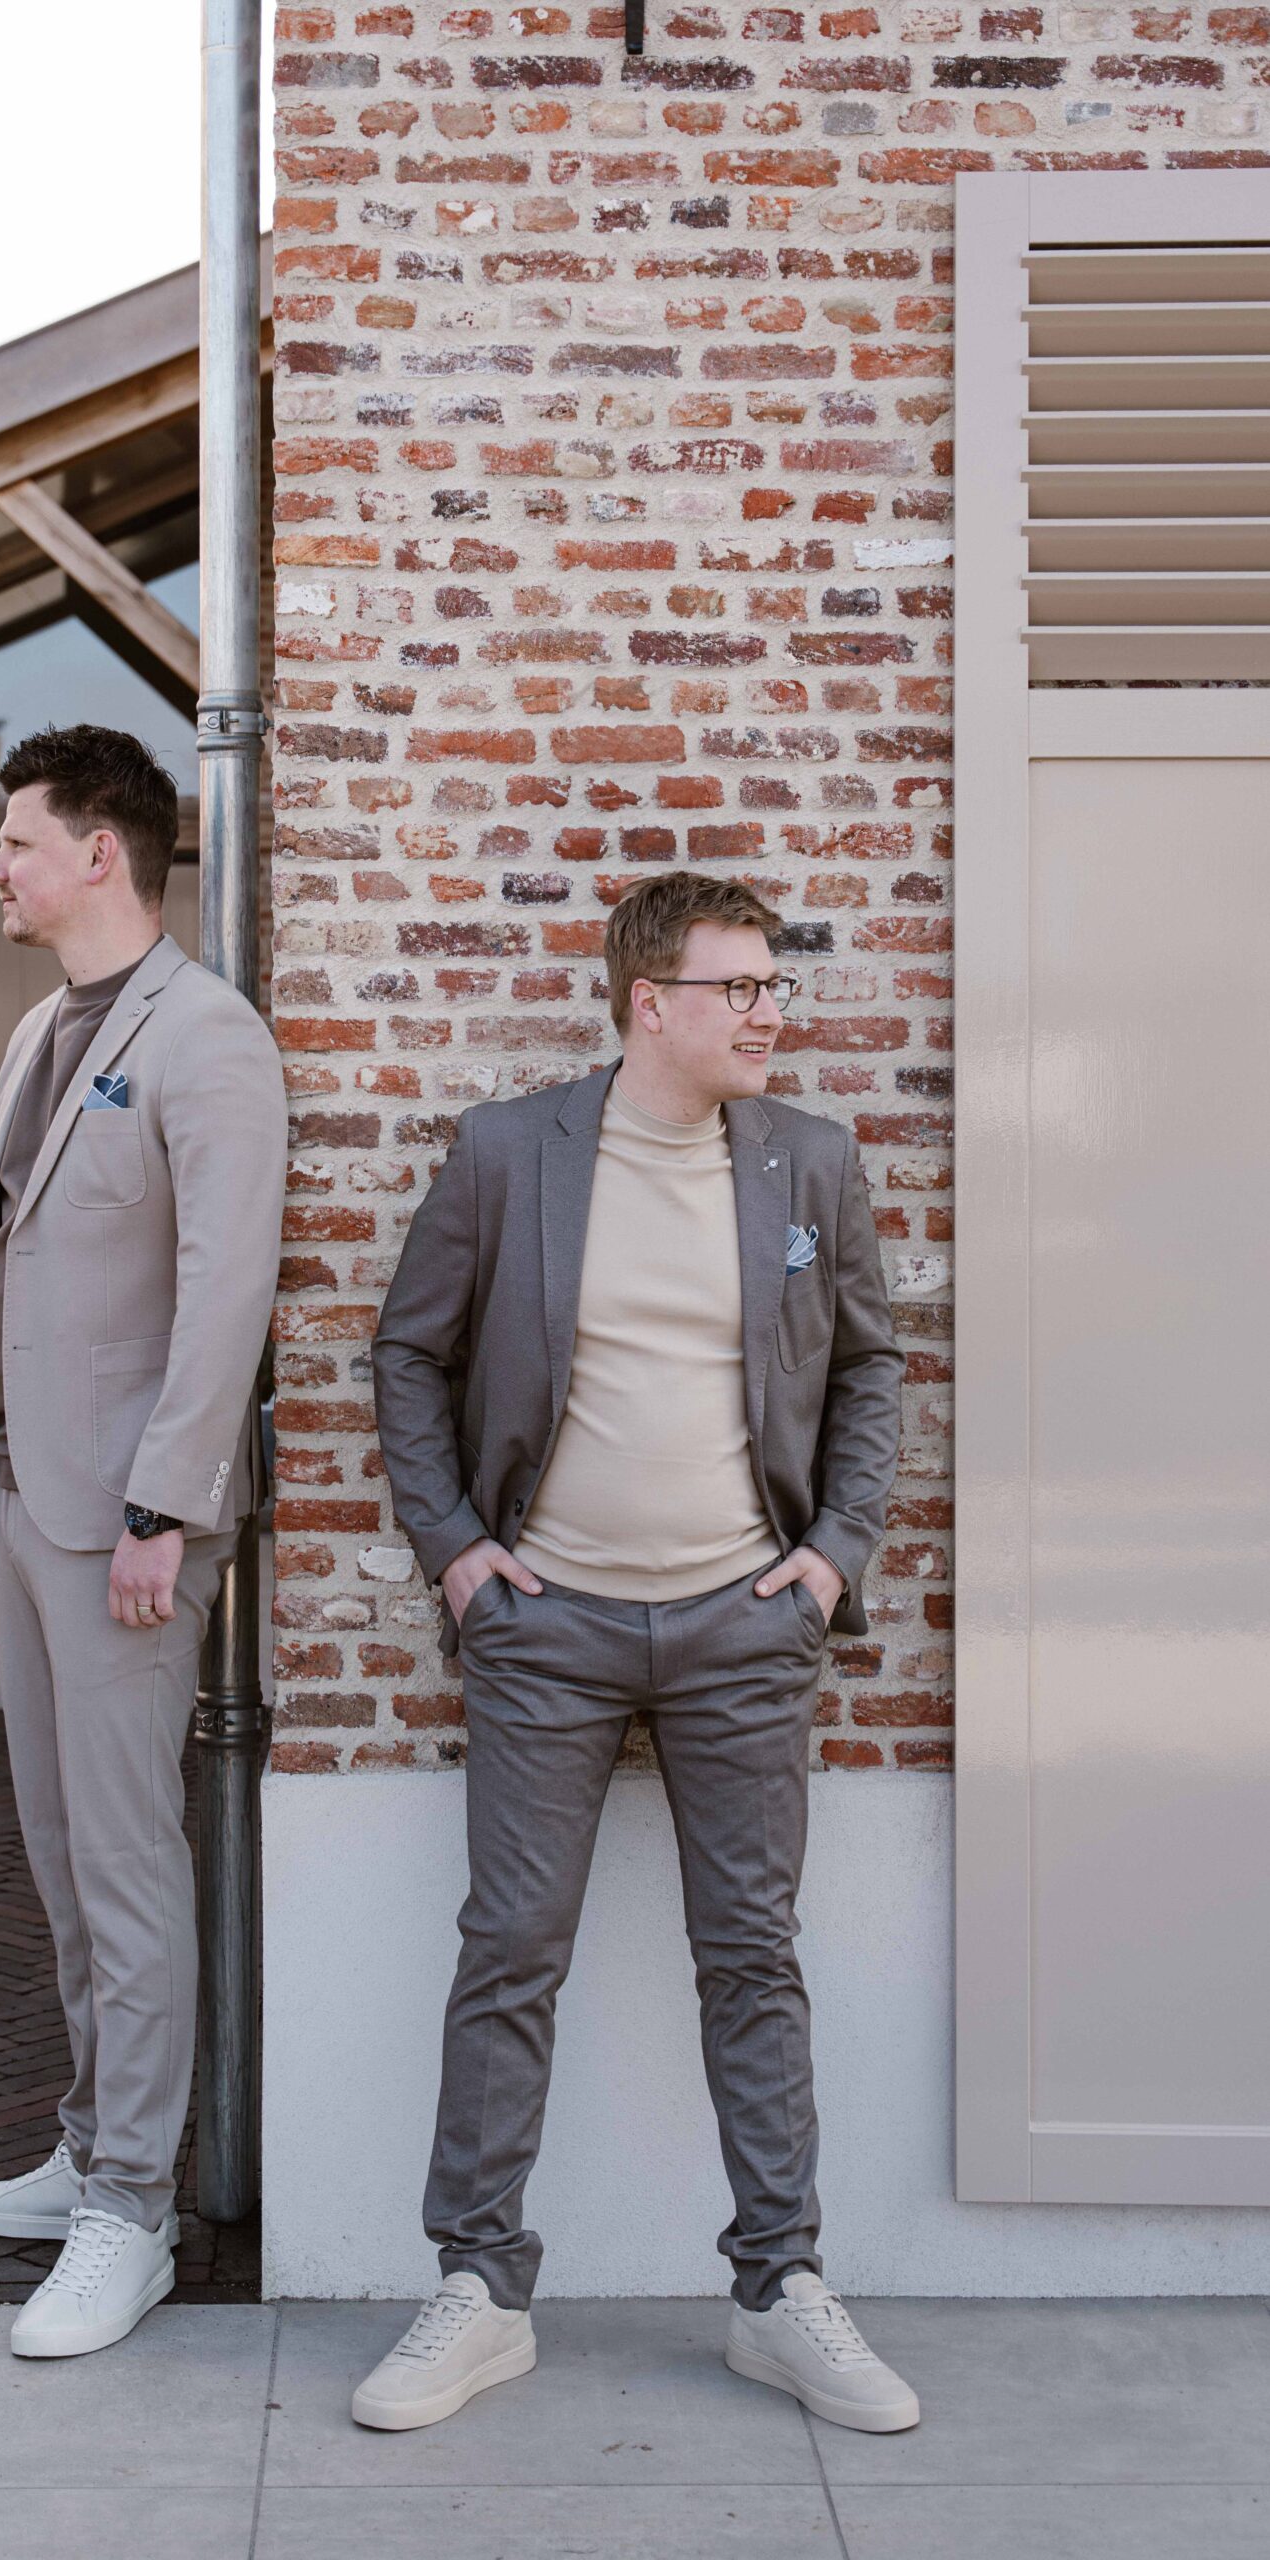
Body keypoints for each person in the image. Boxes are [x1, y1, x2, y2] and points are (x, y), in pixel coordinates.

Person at [357, 868, 918, 2435]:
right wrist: (456, 1550)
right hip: (546, 1630)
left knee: (752, 1959)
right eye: (742, 987)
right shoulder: (508, 1153)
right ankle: (480, 2290)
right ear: (649, 1002)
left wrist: (830, 1557)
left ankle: (779, 2291)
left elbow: (870, 1370)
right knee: (509, 1952)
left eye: (775, 985)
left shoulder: (810, 1161)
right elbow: (408, 1350)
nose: (770, 1011)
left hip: (748, 1627)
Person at [0, 724, 284, 2360]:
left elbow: (225, 1291)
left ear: (100, 854)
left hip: (125, 1526)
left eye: (16, 840)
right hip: (13, 1501)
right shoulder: (36, 1033)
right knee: (63, 1858)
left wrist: (163, 1509)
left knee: (129, 1866)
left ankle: (136, 2209)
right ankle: (90, 2146)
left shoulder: (209, 1038)